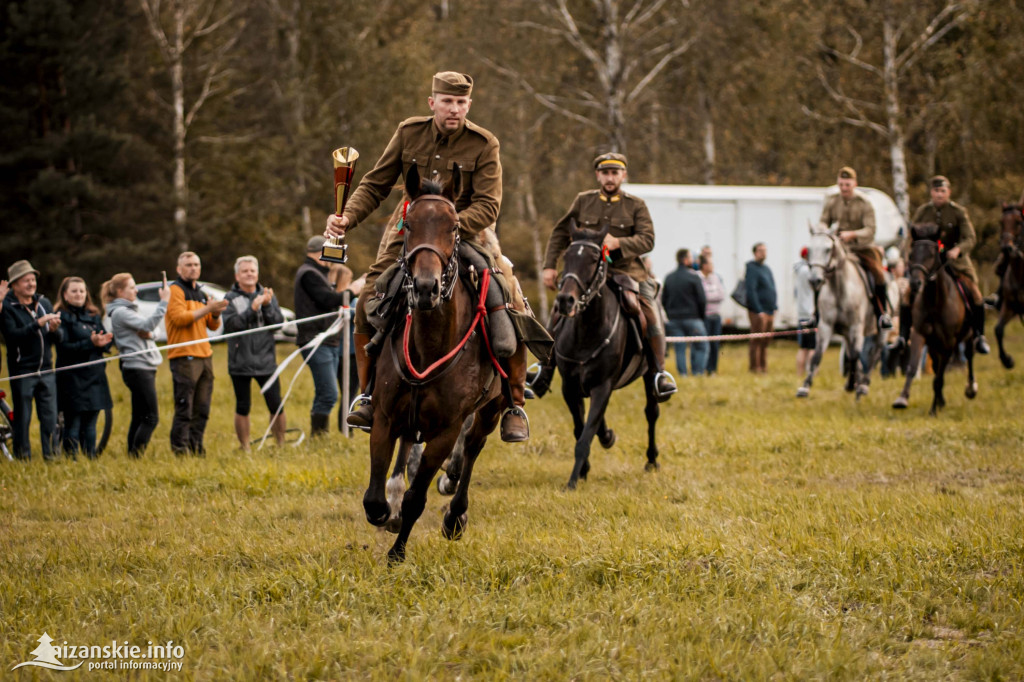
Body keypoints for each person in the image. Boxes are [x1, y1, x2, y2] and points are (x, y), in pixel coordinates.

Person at [323, 70, 532, 442]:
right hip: (409, 228)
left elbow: (488, 205)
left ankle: (514, 401)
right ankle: (368, 394)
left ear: (469, 105)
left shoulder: (485, 143)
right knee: (368, 298)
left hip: (466, 229)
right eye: (447, 101)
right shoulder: (408, 132)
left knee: (507, 291)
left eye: (461, 102)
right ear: (432, 102)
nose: (454, 109)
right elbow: (375, 183)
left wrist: (447, 224)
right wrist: (347, 217)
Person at [536, 152, 676, 398]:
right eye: (605, 173)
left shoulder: (636, 205)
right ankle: (543, 370)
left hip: (627, 271)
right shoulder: (583, 201)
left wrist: (618, 243)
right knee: (560, 308)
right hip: (587, 272)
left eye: (615, 173)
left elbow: (647, 239)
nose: (610, 178)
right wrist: (549, 265)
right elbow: (560, 232)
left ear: (623, 175)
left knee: (648, 310)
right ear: (598, 175)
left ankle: (659, 373)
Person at [900, 175, 990, 353]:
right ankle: (902, 337)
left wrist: (958, 250)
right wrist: (906, 258)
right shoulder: (923, 212)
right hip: (929, 263)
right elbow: (912, 236)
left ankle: (980, 335)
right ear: (931, 192)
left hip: (954, 261)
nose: (939, 194)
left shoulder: (958, 212)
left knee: (976, 294)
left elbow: (970, 237)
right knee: (907, 294)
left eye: (942, 191)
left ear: (948, 192)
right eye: (936, 191)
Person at [165, 251, 228, 456]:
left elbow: (211, 324)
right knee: (185, 408)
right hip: (184, 356)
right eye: (189, 264)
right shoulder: (175, 290)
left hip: (205, 355)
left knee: (202, 408)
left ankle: (196, 447)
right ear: (179, 269)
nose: (193, 268)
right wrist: (207, 308)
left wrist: (215, 313)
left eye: (196, 264)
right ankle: (180, 450)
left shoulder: (200, 292)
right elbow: (180, 319)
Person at [223, 255, 286, 450]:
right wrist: (252, 308)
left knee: (276, 404)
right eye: (245, 271)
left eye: (252, 270)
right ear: (237, 275)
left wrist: (266, 306)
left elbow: (278, 324)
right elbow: (231, 326)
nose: (249, 274)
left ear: (257, 273)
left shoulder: (268, 295)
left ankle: (280, 444)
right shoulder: (230, 298)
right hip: (240, 361)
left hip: (266, 360)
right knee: (243, 406)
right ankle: (245, 447)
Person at [817, 166, 892, 330]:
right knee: (819, 272)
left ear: (854, 184)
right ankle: (815, 314)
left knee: (878, 274)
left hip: (862, 248)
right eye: (841, 184)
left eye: (847, 185)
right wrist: (823, 229)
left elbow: (870, 229)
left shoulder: (864, 203)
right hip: (840, 248)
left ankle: (882, 313)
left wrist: (852, 234)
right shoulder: (832, 201)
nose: (844, 188)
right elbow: (823, 220)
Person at [0, 260, 60, 460]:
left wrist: (54, 329)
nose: (31, 284)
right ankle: (22, 456)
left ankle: (51, 456)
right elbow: (12, 336)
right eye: (26, 280)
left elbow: (55, 338)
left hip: (46, 369)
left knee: (50, 417)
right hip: (22, 370)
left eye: (33, 279)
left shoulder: (44, 303)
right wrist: (37, 324)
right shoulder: (8, 307)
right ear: (15, 284)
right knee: (23, 417)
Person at [104, 272, 169, 457]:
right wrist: (163, 302)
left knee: (140, 415)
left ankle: (132, 455)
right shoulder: (121, 312)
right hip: (137, 368)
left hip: (146, 366)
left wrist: (150, 334)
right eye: (132, 287)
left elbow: (153, 330)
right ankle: (136, 456)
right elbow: (149, 325)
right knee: (151, 417)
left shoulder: (132, 308)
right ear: (119, 291)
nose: (136, 290)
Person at [53, 276, 113, 459]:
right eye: (74, 291)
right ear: (65, 294)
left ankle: (90, 459)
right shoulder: (60, 317)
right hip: (72, 378)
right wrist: (90, 343)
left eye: (82, 290)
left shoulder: (94, 315)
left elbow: (105, 342)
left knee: (91, 422)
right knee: (73, 422)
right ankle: (72, 460)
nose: (79, 294)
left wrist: (103, 343)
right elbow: (64, 348)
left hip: (95, 377)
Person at [294, 236, 348, 437]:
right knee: (329, 393)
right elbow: (327, 300)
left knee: (325, 392)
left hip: (328, 340)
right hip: (316, 339)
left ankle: (320, 436)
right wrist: (352, 290)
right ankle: (318, 436)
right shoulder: (309, 273)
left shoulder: (318, 273)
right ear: (321, 252)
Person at [662, 248, 707, 376]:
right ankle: (698, 372)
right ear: (685, 260)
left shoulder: (669, 277)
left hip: (674, 319)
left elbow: (664, 299)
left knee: (679, 349)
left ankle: (683, 374)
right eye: (691, 257)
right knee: (700, 346)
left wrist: (670, 314)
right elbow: (702, 299)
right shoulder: (694, 277)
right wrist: (701, 317)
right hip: (693, 318)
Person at [745, 242, 777, 373]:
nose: (763, 253)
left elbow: (772, 287)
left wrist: (774, 307)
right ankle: (754, 367)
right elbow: (751, 291)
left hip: (770, 310)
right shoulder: (751, 268)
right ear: (755, 253)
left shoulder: (766, 268)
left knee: (765, 341)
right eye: (760, 250)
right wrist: (758, 310)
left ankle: (763, 367)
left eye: (765, 250)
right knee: (757, 339)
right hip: (759, 311)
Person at [698, 253, 725, 375]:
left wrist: (710, 296)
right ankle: (703, 368)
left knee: (715, 345)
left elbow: (722, 295)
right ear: (704, 265)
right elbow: (702, 297)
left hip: (716, 316)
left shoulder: (716, 277)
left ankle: (712, 369)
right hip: (705, 316)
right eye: (710, 263)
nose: (712, 266)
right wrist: (713, 296)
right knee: (704, 344)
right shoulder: (697, 278)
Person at [793, 246, 816, 374]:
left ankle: (800, 373)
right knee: (811, 347)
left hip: (802, 312)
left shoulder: (799, 269)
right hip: (810, 313)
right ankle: (811, 372)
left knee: (803, 347)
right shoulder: (808, 271)